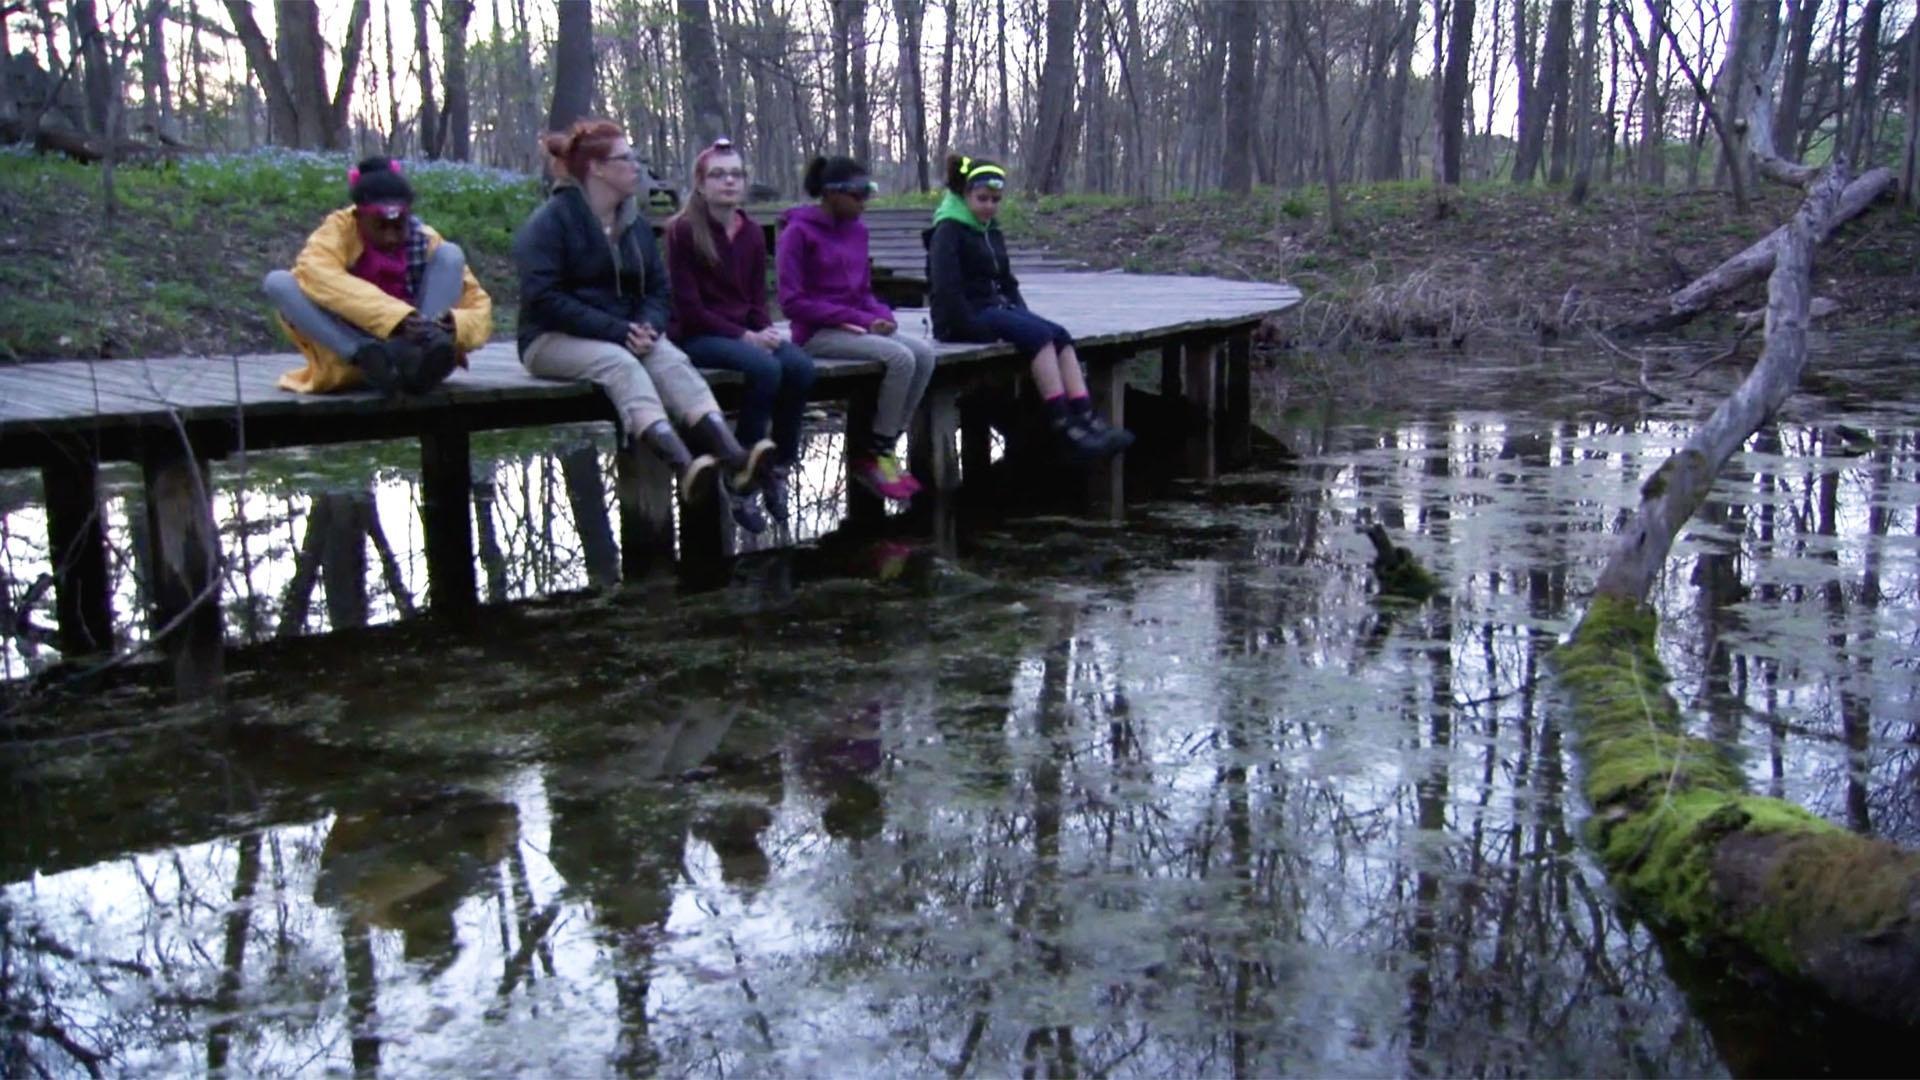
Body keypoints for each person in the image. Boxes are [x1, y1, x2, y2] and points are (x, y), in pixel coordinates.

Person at [514, 119, 774, 509]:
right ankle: (683, 465)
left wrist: (649, 327)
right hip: (550, 340)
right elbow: (544, 299)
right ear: (597, 168)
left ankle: (735, 458)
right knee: (621, 365)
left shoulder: (632, 224)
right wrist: (619, 331)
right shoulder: (550, 223)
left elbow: (658, 290)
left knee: (672, 360)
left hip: (625, 332)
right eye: (625, 158)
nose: (636, 166)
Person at [925, 154, 1133, 461]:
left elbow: (1007, 280)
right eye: (982, 199)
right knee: (1039, 339)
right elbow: (944, 288)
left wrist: (1023, 313)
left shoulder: (989, 230)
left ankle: (1086, 417)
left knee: (1059, 335)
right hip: (964, 317)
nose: (989, 206)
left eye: (995, 200)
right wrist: (969, 327)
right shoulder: (948, 231)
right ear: (964, 194)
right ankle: (1064, 424)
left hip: (996, 308)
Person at [666, 138, 817, 534]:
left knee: (799, 366)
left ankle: (778, 467)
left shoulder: (750, 232)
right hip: (698, 336)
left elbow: (754, 298)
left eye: (736, 174)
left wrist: (763, 328)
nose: (729, 182)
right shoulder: (683, 232)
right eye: (718, 175)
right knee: (764, 369)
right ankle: (742, 477)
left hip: (742, 334)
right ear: (700, 184)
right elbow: (689, 309)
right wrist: (744, 338)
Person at [776, 155, 937, 502]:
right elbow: (792, 302)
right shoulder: (796, 233)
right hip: (818, 334)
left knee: (923, 354)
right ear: (831, 194)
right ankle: (873, 454)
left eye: (868, 193)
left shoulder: (857, 232)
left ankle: (887, 447)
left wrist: (882, 316)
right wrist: (854, 321)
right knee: (900, 359)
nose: (864, 202)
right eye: (858, 195)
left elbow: (863, 292)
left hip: (857, 328)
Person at [264, 156, 491, 395]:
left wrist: (453, 326)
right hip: (354, 350)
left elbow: (477, 305)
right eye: (380, 227)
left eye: (398, 227)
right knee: (278, 282)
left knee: (451, 255)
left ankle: (420, 355)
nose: (391, 237)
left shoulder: (426, 241)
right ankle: (365, 357)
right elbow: (316, 273)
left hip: (416, 345)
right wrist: (397, 320)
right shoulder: (335, 233)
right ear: (359, 218)